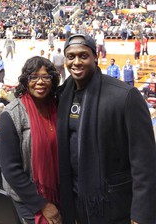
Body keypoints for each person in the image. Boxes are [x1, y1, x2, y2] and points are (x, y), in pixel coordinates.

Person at [57, 34, 156, 224]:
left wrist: (141, 215)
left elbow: (144, 162)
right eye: (71, 57)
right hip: (76, 202)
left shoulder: (126, 96)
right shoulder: (62, 95)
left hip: (115, 205)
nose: (76, 62)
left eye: (83, 56)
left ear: (95, 57)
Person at [0, 56, 61, 224]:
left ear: (52, 80)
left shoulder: (58, 108)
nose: (40, 82)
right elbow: (10, 169)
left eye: (46, 77)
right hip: (30, 200)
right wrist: (42, 204)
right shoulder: (11, 114)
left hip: (59, 192)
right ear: (26, 81)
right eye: (34, 77)